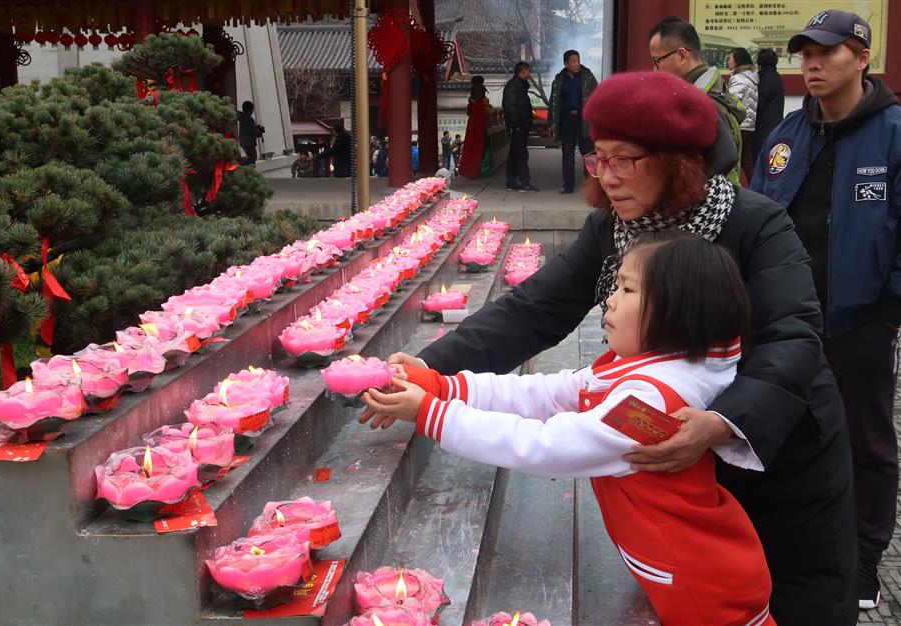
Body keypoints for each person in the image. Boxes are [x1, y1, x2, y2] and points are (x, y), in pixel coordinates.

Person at [382, 71, 858, 625]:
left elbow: (793, 335)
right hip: (677, 469)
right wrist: (429, 371)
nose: (607, 177)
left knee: (796, 598)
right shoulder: (613, 229)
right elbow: (533, 309)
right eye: (598, 159)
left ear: (678, 161)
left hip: (773, 448)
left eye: (624, 160)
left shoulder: (755, 224)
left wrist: (721, 423)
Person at [362, 233, 774, 626]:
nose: (609, 301)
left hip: (701, 595)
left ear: (677, 312)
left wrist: (434, 414)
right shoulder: (648, 369)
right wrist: (443, 384)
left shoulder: (650, 405)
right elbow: (547, 392)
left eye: (628, 291)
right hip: (689, 571)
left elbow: (546, 446)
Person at [750, 10, 901, 612]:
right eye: (804, 53)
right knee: (778, 428)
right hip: (784, 322)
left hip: (860, 320)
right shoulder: (788, 135)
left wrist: (887, 308)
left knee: (866, 441)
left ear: (861, 58)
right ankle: (785, 547)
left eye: (827, 53)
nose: (811, 64)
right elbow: (755, 218)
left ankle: (863, 561)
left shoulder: (893, 132)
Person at [648, 17, 746, 186]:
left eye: (657, 61)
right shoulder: (715, 91)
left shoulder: (704, 107)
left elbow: (712, 179)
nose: (654, 71)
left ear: (681, 55)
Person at [549, 50, 599, 194]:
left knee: (588, 154)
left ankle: (591, 186)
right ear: (566, 64)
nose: (577, 64)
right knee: (567, 154)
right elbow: (553, 102)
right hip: (566, 120)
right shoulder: (559, 79)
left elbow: (597, 95)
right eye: (573, 61)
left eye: (578, 60)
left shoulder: (588, 77)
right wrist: (552, 123)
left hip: (584, 120)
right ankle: (568, 185)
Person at [501, 61, 538, 192]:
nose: (529, 74)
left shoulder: (519, 86)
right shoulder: (513, 86)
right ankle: (523, 181)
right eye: (528, 71)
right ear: (522, 71)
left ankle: (511, 182)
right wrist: (516, 123)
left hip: (521, 125)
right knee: (521, 153)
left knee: (514, 154)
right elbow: (510, 106)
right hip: (518, 125)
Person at [727, 47, 759, 184]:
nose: (728, 62)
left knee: (733, 159)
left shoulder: (739, 78)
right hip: (749, 125)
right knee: (747, 160)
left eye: (730, 58)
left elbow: (733, 101)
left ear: (737, 61)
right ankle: (755, 186)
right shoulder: (751, 77)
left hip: (739, 124)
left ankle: (734, 188)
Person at [754, 49, 784, 168]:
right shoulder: (775, 76)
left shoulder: (766, 80)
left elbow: (759, 105)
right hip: (775, 126)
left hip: (764, 129)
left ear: (759, 64)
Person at [236, 100, 264, 165]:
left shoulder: (243, 117)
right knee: (252, 157)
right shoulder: (247, 119)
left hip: (245, 142)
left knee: (252, 157)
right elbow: (248, 130)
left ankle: (245, 166)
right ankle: (245, 167)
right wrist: (258, 130)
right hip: (248, 142)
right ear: (250, 110)